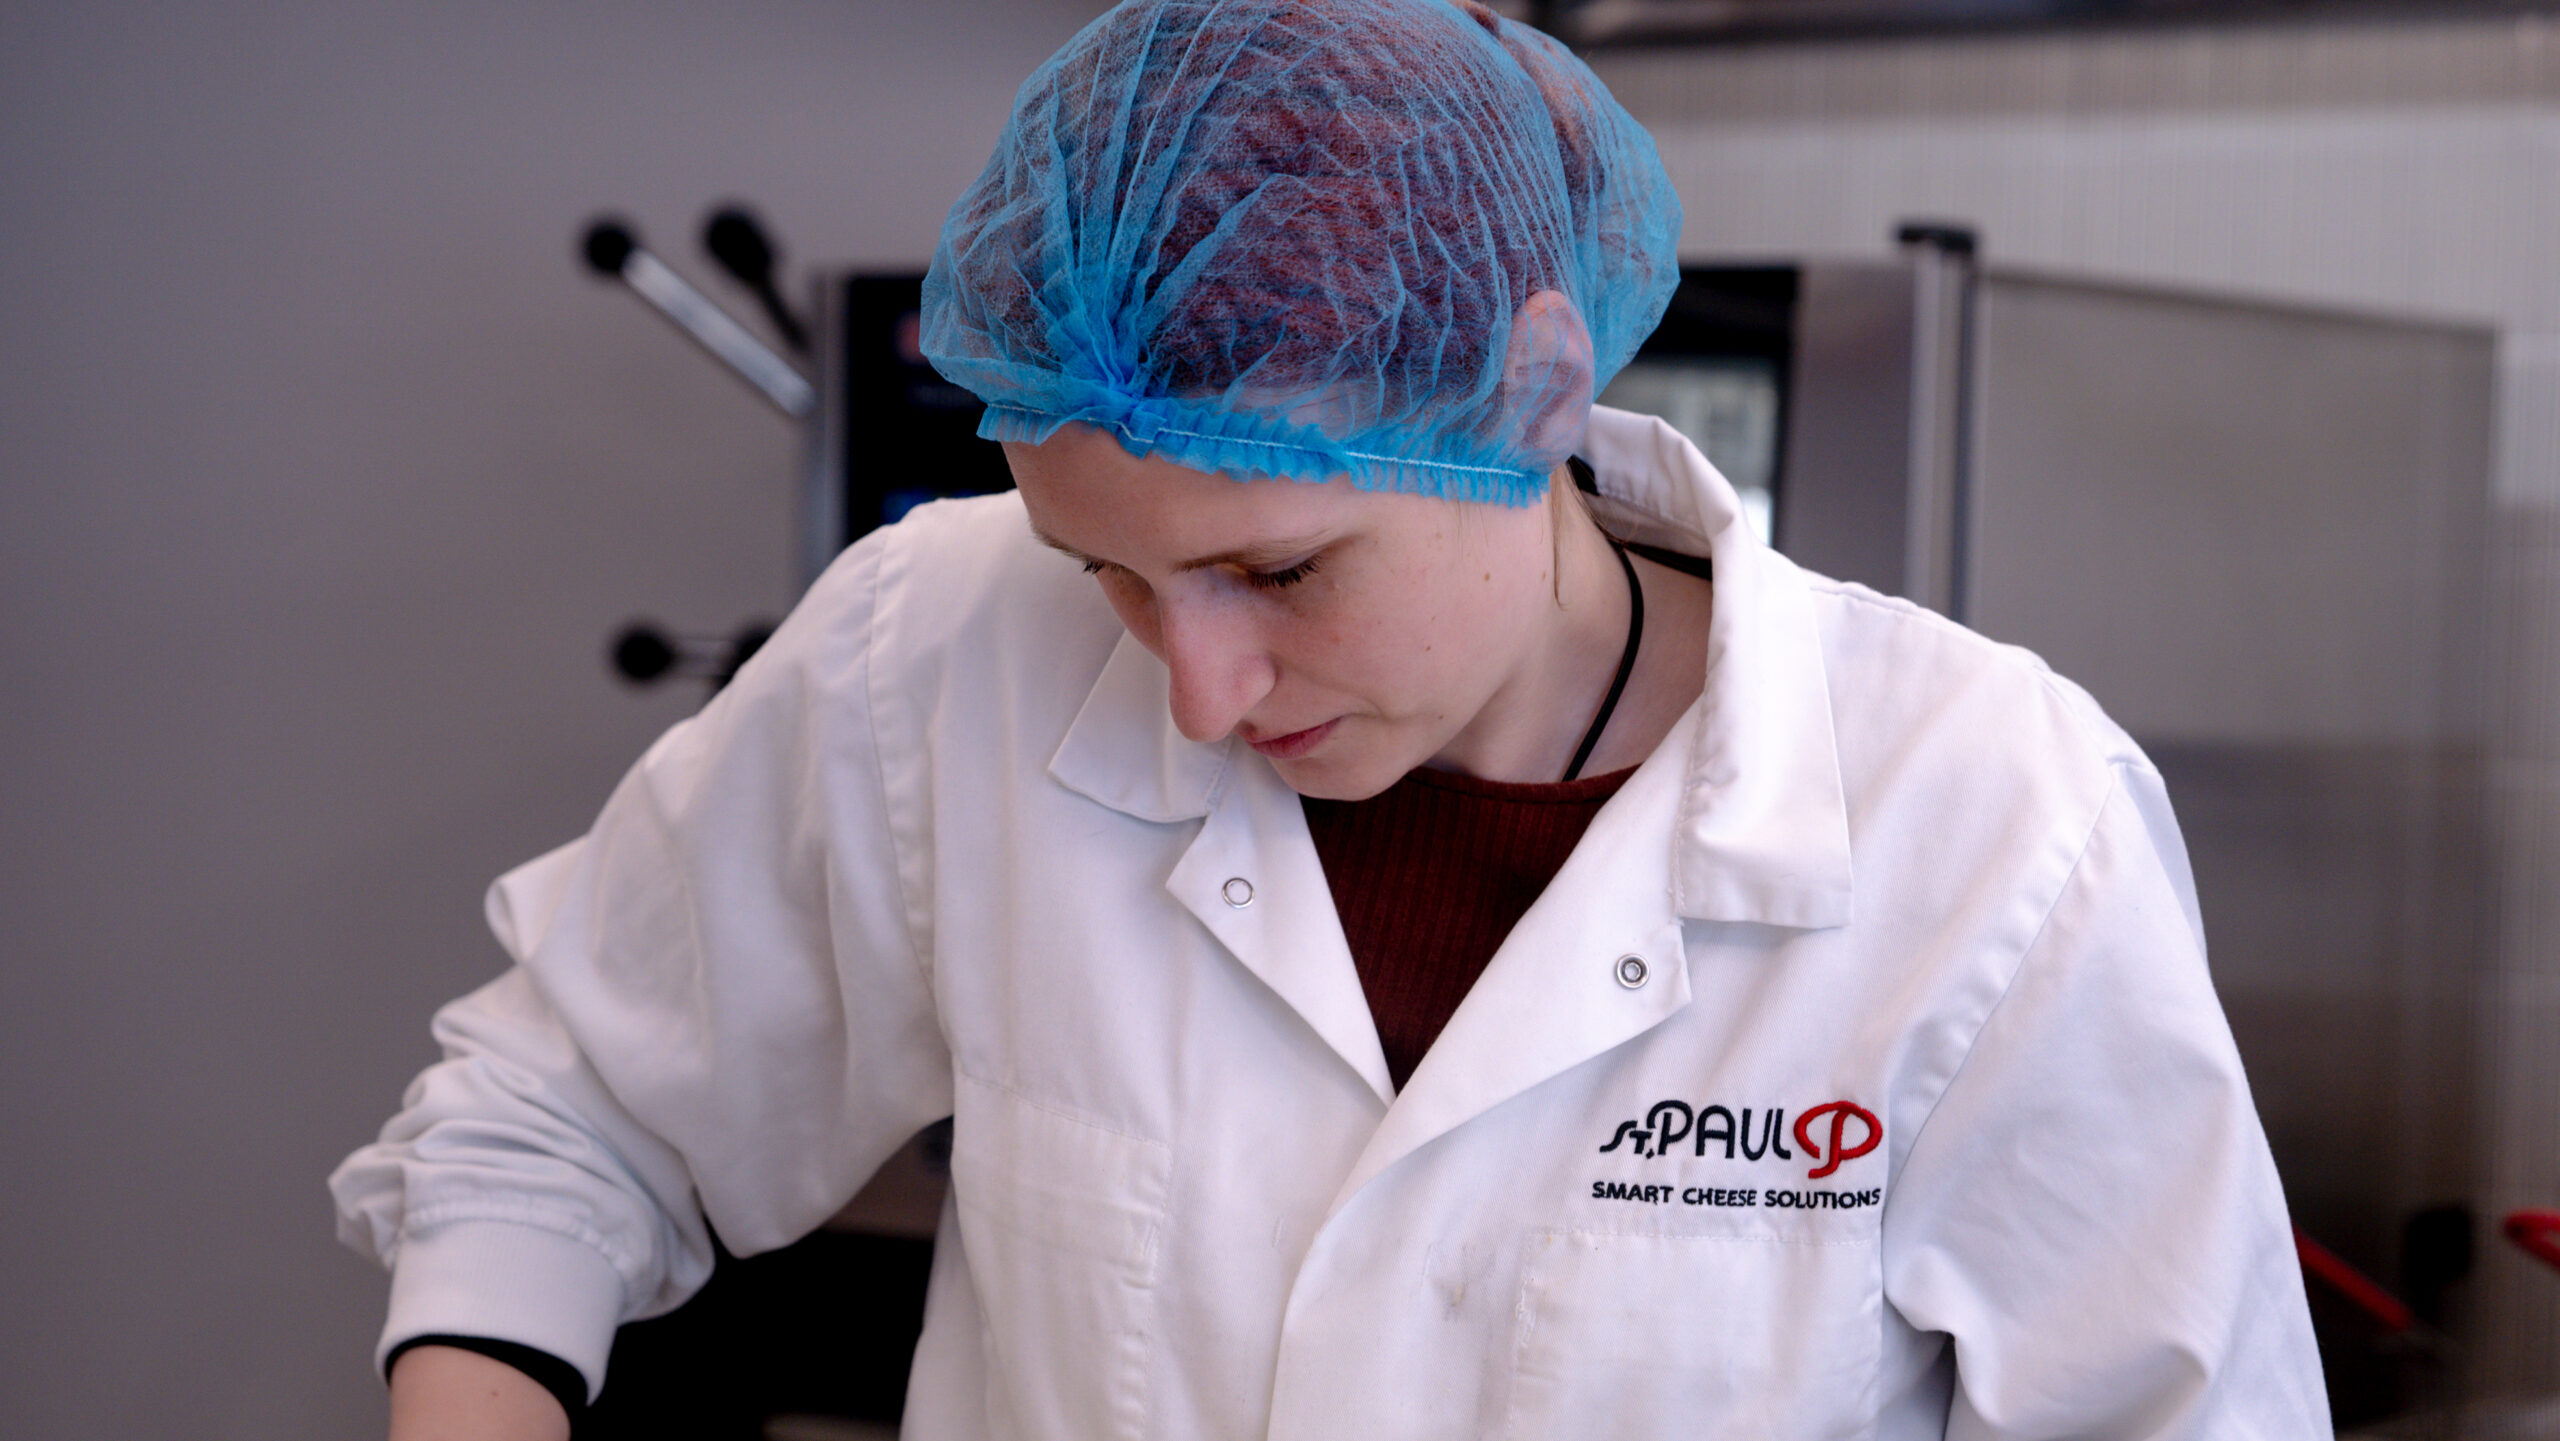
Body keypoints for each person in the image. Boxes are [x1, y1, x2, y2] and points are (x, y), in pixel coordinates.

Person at [333, 1, 2331, 1437]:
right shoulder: (940, 638)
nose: (1196, 688)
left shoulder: (1985, 818)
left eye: (1282, 572)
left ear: (1530, 392)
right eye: (1110, 572)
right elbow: (557, 1112)